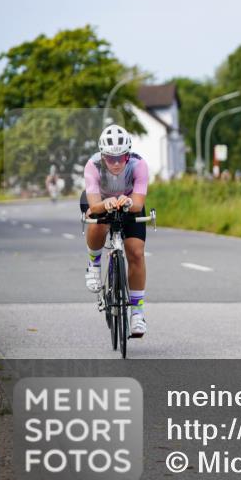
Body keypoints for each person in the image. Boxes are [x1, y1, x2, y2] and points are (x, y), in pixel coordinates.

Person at [80, 124, 150, 338]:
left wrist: (127, 201)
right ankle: (94, 263)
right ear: (103, 156)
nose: (117, 163)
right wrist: (107, 202)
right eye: (111, 158)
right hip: (99, 202)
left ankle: (137, 313)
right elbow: (93, 205)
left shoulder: (139, 165)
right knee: (98, 222)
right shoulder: (92, 165)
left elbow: (138, 202)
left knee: (136, 252)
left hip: (128, 203)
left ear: (128, 155)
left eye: (122, 157)